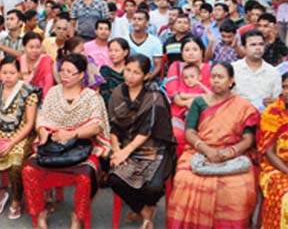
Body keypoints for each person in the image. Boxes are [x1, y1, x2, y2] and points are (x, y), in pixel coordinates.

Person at [22, 53, 110, 229]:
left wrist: (73, 134)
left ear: (81, 75)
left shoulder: (91, 97)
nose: (64, 75)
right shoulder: (54, 93)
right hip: (53, 146)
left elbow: (96, 126)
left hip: (81, 147)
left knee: (86, 176)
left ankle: (77, 216)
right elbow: (43, 117)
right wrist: (43, 131)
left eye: (70, 72)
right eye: (62, 71)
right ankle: (40, 213)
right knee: (29, 169)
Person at [166, 63, 259, 229]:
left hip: (233, 154)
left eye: (220, 77)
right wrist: (207, 150)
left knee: (239, 187)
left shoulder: (243, 106)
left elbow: (248, 139)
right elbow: (190, 132)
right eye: (213, 77)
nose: (215, 81)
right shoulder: (200, 102)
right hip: (199, 150)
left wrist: (229, 152)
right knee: (184, 180)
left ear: (231, 81)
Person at [107, 54, 176, 229]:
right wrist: (116, 150)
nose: (130, 76)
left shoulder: (154, 97)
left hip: (154, 148)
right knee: (114, 179)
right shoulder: (117, 93)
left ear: (146, 76)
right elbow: (113, 126)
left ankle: (144, 209)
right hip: (125, 145)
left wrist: (125, 152)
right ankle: (144, 211)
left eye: (136, 73)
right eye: (128, 70)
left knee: (153, 187)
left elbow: (147, 130)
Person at [0, 56, 39, 220]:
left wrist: (11, 143)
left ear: (19, 73)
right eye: (5, 72)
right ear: (0, 73)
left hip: (20, 136)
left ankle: (17, 199)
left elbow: (29, 124)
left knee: (17, 162)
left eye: (12, 72)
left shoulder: (28, 91)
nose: (8, 76)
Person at [257, 73, 288, 229]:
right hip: (276, 167)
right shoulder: (273, 112)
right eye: (285, 87)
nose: (287, 91)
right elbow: (269, 152)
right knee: (285, 198)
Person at [233, 29, 282, 111]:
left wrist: (273, 103)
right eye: (253, 45)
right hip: (238, 117)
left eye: (261, 44)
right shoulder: (234, 69)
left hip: (264, 119)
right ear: (244, 48)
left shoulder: (273, 72)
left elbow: (278, 100)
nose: (258, 48)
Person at [124, 10, 163, 80]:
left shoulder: (155, 42)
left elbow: (158, 66)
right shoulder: (125, 40)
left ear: (147, 22)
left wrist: (147, 78)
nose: (136, 21)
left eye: (140, 19)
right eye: (134, 19)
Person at [19, 32, 54, 101]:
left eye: (38, 47)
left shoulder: (46, 60)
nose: (34, 50)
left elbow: (49, 82)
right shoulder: (19, 61)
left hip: (41, 98)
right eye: (31, 47)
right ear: (24, 47)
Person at [99, 38, 130, 105]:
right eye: (110, 50)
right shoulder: (105, 70)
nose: (113, 54)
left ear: (125, 52)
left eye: (116, 51)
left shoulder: (130, 71)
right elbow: (103, 92)